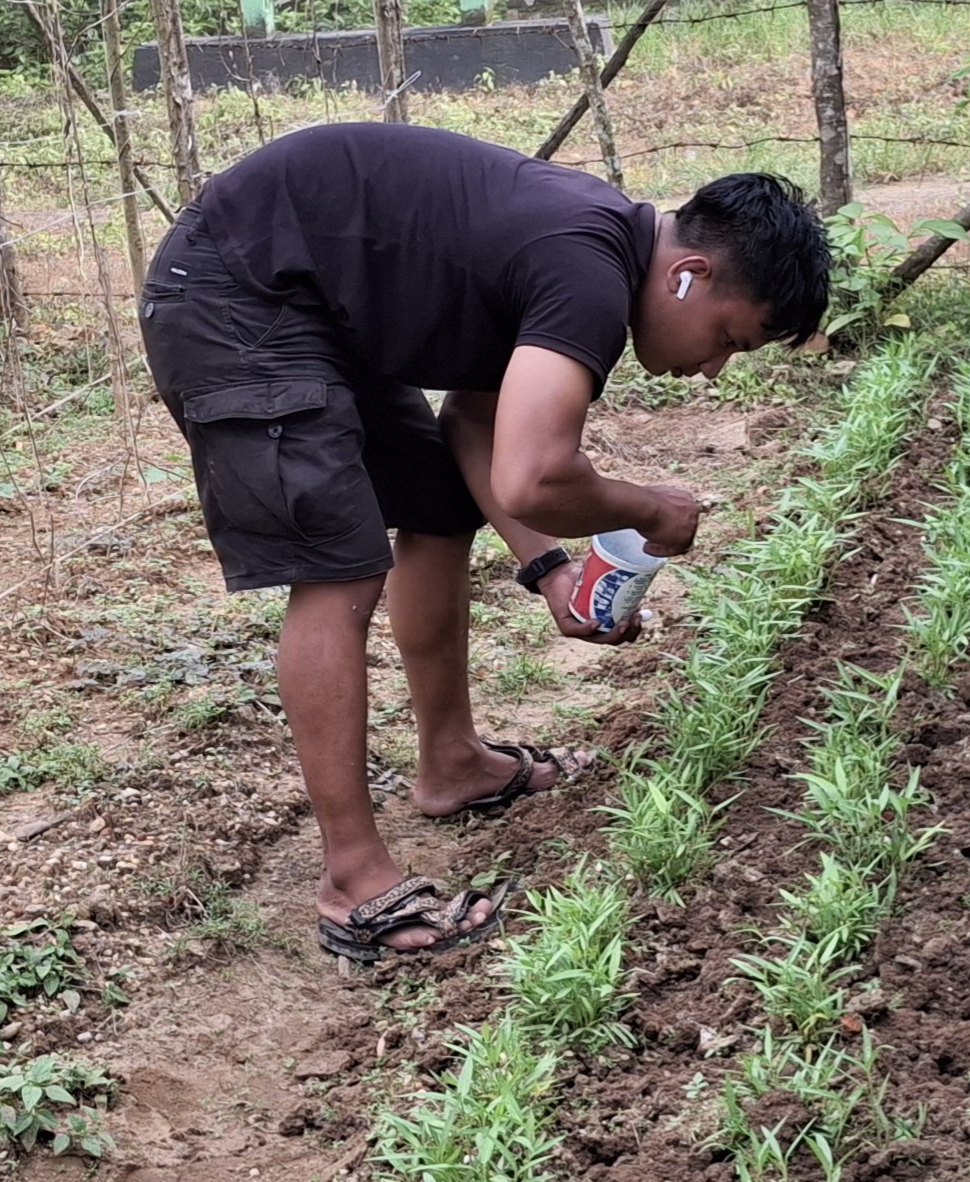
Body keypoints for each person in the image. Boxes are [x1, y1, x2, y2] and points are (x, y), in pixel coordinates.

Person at [138, 123, 831, 961]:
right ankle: (352, 881)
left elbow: (475, 422)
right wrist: (649, 509)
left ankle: (453, 762)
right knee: (338, 569)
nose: (714, 368)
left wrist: (549, 569)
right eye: (729, 339)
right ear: (690, 274)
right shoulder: (588, 271)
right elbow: (535, 477)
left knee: (437, 502)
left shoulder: (590, 251)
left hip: (312, 303)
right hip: (236, 292)